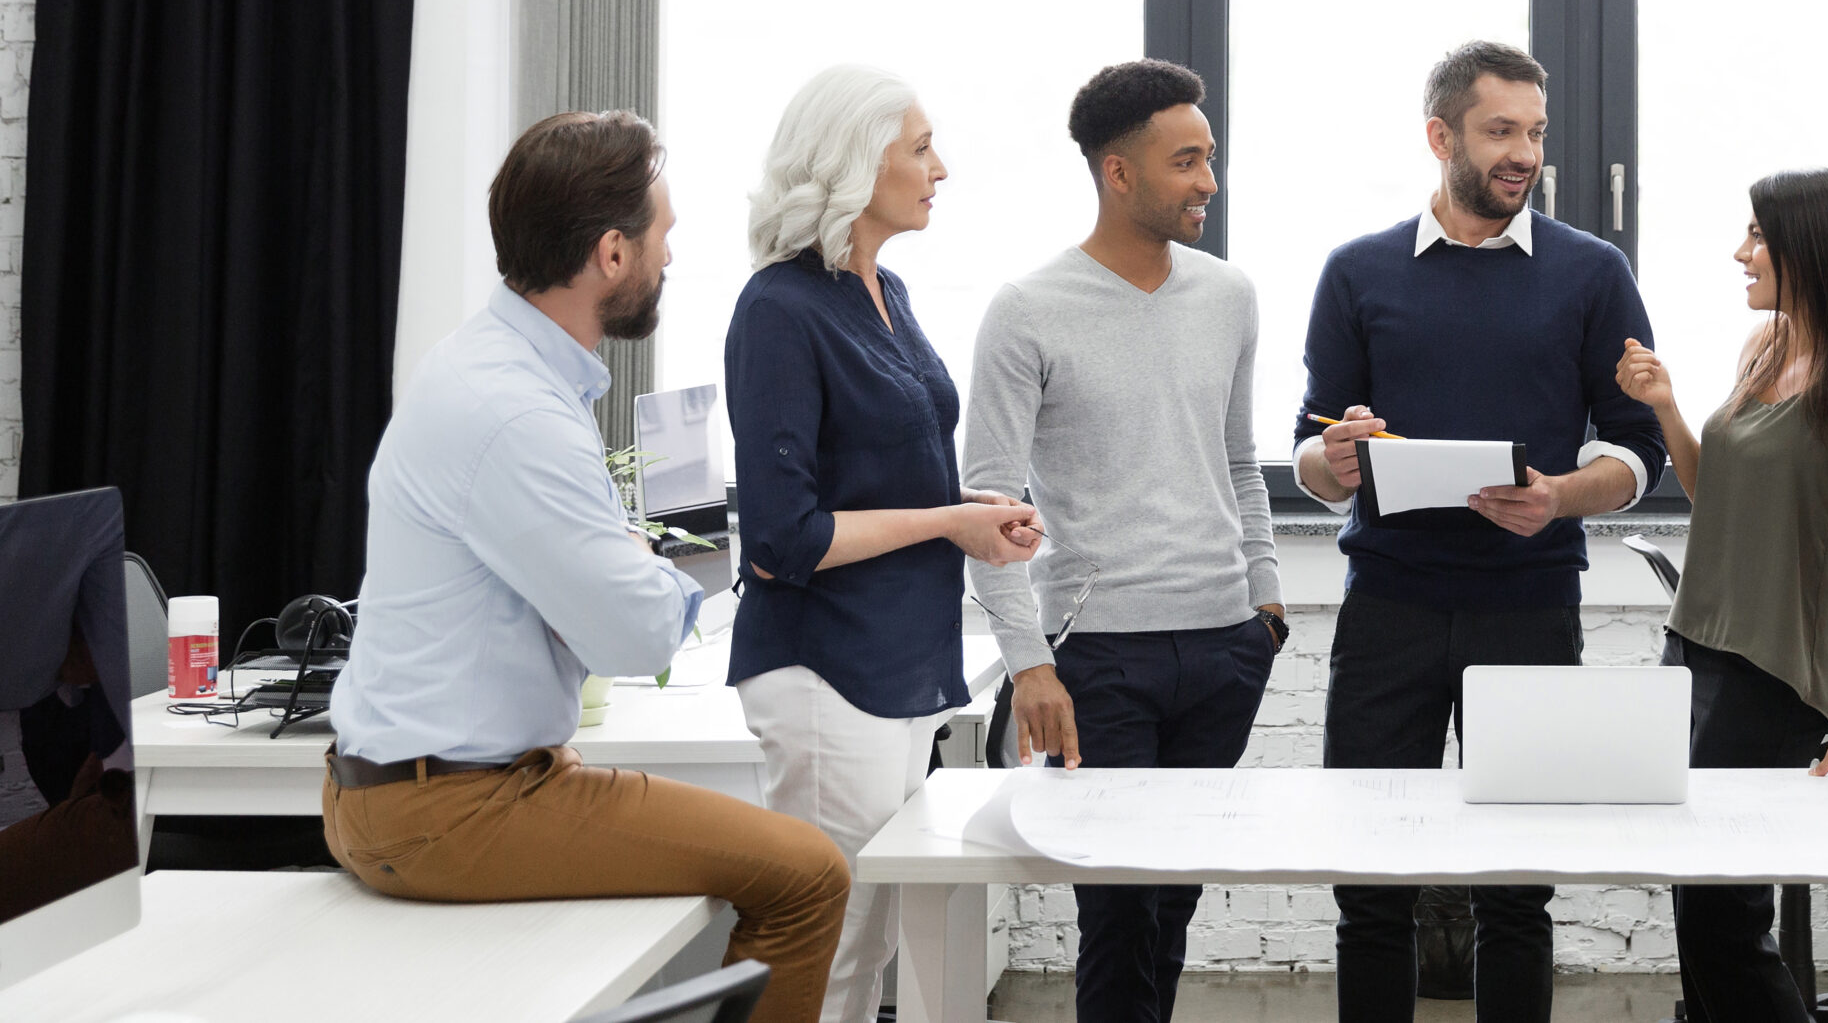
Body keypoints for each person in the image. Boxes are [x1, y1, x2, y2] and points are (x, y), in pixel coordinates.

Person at [326, 112, 850, 1023]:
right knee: (809, 873)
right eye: (663, 236)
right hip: (450, 810)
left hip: (409, 787)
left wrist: (627, 560)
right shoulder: (518, 416)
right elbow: (634, 633)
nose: (670, 257)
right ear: (612, 252)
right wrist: (672, 565)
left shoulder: (485, 368)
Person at [1291, 40, 1668, 1023]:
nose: (1522, 154)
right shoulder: (1357, 272)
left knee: (1518, 889)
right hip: (1389, 610)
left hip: (1531, 609)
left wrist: (1559, 495)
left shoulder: (1592, 273)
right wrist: (1333, 461)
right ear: (1440, 136)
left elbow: (1637, 451)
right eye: (1500, 131)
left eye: (1534, 133)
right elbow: (1313, 447)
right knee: (1369, 882)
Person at [962, 58, 1285, 1023]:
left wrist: (1264, 601)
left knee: (1174, 898)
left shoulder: (1229, 295)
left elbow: (1239, 462)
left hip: (1225, 644)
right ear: (1118, 172)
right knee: (1115, 912)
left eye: (1211, 158)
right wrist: (1030, 664)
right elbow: (989, 504)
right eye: (1186, 161)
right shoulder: (1027, 310)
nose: (1208, 183)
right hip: (1095, 659)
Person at [727, 66, 1041, 1023]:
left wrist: (966, 507)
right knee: (830, 938)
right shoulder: (779, 309)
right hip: (827, 665)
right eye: (918, 147)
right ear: (852, 165)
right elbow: (785, 537)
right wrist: (949, 521)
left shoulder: (886, 290)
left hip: (902, 654)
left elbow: (879, 472)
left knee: (865, 945)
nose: (939, 167)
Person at [1615, 168, 1828, 1023]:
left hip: (1772, 669)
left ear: (1809, 249)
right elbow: (1725, 502)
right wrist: (1669, 410)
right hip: (1697, 643)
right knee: (1695, 899)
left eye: (1758, 237)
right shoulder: (1765, 349)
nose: (1741, 252)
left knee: (1726, 915)